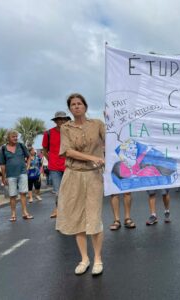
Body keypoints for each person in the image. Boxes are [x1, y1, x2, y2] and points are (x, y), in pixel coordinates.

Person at [55, 93, 105, 276]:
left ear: (85, 106)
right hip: (73, 175)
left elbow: (114, 138)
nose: (76, 106)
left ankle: (98, 259)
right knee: (77, 218)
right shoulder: (66, 128)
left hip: (93, 176)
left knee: (94, 217)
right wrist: (93, 157)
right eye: (73, 104)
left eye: (79, 103)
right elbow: (68, 151)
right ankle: (84, 259)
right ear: (70, 109)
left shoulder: (98, 124)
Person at [0, 130, 33, 222]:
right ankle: (13, 214)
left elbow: (29, 156)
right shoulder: (3, 149)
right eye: (13, 137)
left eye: (16, 136)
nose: (15, 138)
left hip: (22, 173)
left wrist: (28, 166)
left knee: (23, 193)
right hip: (10, 175)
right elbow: (2, 164)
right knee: (12, 195)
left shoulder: (21, 146)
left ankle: (25, 212)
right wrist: (3, 176)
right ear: (8, 138)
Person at [42, 111, 71, 218]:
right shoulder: (48, 133)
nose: (61, 121)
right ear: (56, 121)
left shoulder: (71, 132)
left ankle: (69, 209)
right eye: (59, 119)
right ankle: (58, 208)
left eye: (63, 119)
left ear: (67, 120)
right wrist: (51, 160)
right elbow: (44, 150)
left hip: (69, 165)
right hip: (55, 167)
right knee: (58, 191)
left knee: (70, 190)